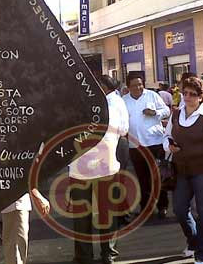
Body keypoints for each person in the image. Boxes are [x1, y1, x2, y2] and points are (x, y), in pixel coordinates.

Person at [164, 77, 203, 264]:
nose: (188, 97)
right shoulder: (176, 114)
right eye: (185, 93)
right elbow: (166, 136)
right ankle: (193, 240)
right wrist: (169, 146)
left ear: (201, 96)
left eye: (192, 94)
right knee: (179, 209)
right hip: (181, 170)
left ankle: (202, 254)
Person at [69, 75, 129, 264]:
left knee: (89, 215)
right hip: (97, 167)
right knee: (103, 214)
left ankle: (87, 255)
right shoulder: (113, 105)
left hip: (93, 167)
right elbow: (123, 130)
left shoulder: (77, 107)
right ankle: (105, 254)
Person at [123, 74, 170, 218]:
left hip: (154, 143)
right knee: (142, 178)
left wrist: (155, 113)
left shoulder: (152, 95)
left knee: (157, 177)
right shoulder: (124, 100)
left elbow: (167, 111)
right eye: (134, 85)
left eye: (140, 84)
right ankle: (146, 208)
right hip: (135, 145)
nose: (138, 87)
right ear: (128, 87)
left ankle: (162, 206)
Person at [1, 188, 50, 264]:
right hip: (14, 203)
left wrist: (37, 196)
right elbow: (23, 182)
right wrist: (37, 196)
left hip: (17, 203)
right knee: (15, 247)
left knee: (18, 246)